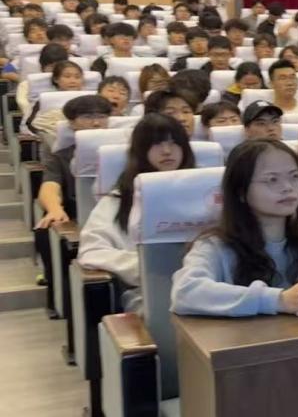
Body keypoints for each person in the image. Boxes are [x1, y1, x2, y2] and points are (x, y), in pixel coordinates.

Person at [171, 139, 298, 316]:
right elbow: (185, 291)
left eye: (294, 176)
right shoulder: (215, 247)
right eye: (272, 179)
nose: (288, 187)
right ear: (240, 191)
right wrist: (279, 300)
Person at [78, 115, 194, 312]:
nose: (167, 151)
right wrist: (145, 267)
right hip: (148, 293)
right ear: (141, 151)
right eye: (156, 144)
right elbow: (91, 251)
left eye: (174, 143)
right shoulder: (119, 200)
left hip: (208, 286)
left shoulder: (205, 192)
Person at [33, 95, 112, 300]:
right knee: (46, 230)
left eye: (102, 117)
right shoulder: (60, 151)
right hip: (76, 211)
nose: (96, 123)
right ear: (72, 123)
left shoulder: (124, 148)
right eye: (87, 117)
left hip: (114, 213)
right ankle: (58, 296)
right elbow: (50, 185)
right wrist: (54, 209)